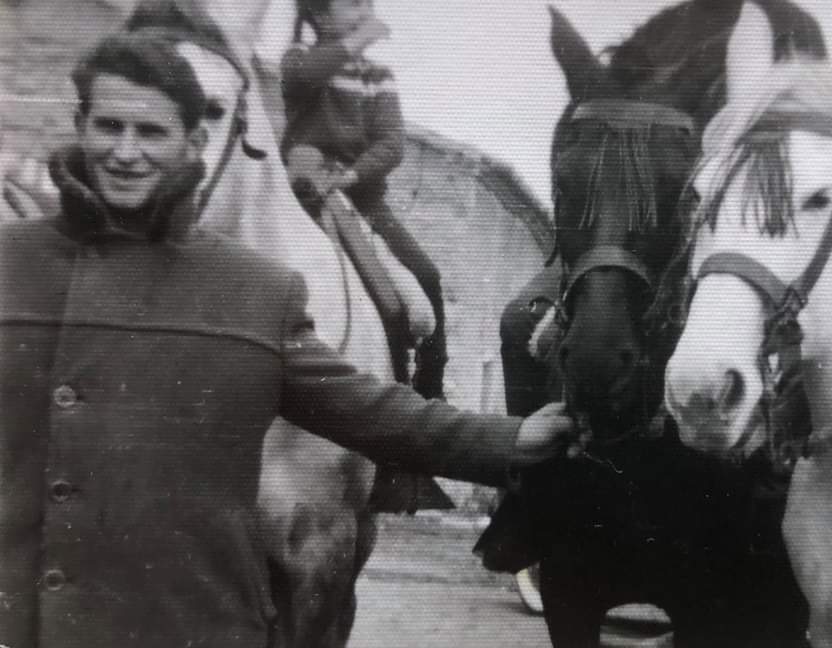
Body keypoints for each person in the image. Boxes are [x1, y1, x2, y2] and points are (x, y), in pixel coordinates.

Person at [0, 32, 576, 648]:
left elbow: (365, 408)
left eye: (151, 132)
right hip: (34, 621)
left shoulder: (255, 290)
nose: (126, 152)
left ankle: (406, 462)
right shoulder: (11, 265)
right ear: (79, 126)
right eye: (108, 127)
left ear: (197, 141)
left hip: (189, 622)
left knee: (410, 294)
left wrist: (513, 437)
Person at [280, 0, 448, 402]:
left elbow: (391, 144)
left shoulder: (378, 76)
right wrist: (357, 40)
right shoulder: (298, 59)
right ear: (320, 16)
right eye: (353, 4)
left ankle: (427, 388)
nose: (365, 12)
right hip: (305, 196)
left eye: (369, 4)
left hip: (365, 203)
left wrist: (351, 175)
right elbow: (305, 76)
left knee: (425, 275)